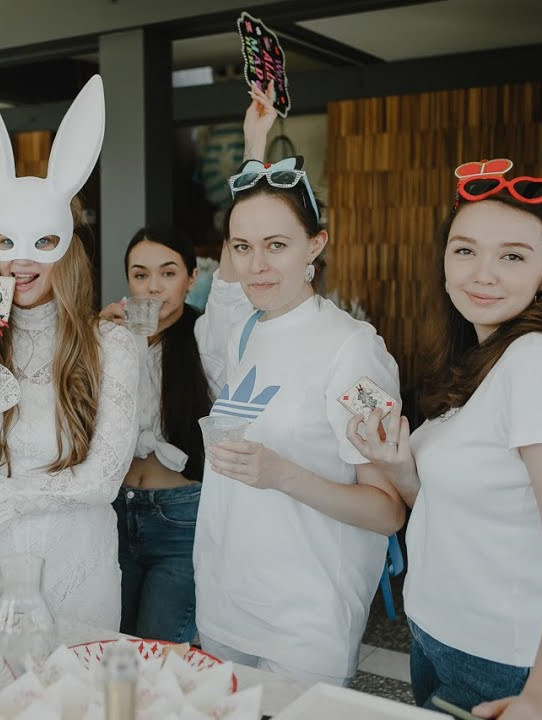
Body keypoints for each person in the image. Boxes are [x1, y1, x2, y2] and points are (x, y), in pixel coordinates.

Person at [346, 159, 542, 720]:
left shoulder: (541, 367)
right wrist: (397, 469)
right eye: (465, 250)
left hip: (507, 664)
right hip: (441, 641)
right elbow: (463, 510)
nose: (482, 273)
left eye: (512, 255)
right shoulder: (489, 361)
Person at [193, 79, 406, 686]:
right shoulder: (239, 331)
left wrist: (283, 474)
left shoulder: (351, 349)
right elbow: (233, 288)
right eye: (243, 247)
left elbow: (388, 510)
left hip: (304, 621)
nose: (257, 265)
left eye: (277, 246)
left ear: (315, 245)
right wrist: (254, 143)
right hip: (223, 604)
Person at [0, 74, 139, 628]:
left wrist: (9, 498)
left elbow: (103, 478)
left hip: (75, 566)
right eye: (7, 242)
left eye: (41, 242)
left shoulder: (112, 345)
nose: (22, 261)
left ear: (67, 244)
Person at [98, 226, 212, 643]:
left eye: (168, 273)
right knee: (111, 643)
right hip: (113, 508)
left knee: (159, 650)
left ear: (192, 277)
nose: (153, 288)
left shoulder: (206, 339)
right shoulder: (109, 337)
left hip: (180, 514)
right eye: (140, 275)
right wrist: (96, 337)